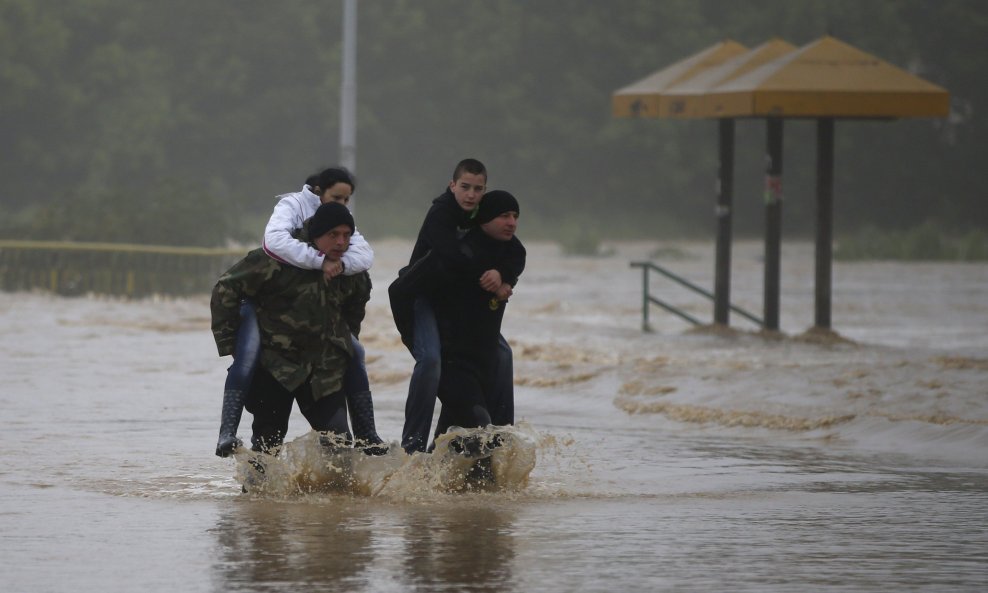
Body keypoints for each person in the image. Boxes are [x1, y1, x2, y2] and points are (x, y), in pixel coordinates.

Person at [214, 167, 385, 458]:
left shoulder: (350, 269)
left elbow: (357, 304)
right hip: (275, 368)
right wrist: (232, 343)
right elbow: (225, 290)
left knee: (340, 452)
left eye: (346, 236)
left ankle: (364, 444)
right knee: (265, 454)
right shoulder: (273, 261)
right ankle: (254, 499)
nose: (341, 243)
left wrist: (344, 338)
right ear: (316, 235)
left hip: (323, 372)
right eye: (334, 236)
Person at [394, 159, 525, 453]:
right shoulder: (441, 213)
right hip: (417, 296)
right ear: (452, 185)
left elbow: (515, 249)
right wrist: (496, 278)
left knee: (502, 354)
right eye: (464, 187)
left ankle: (503, 435)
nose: (470, 194)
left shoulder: (479, 213)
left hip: (446, 300)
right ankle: (411, 447)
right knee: (430, 362)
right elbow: (454, 257)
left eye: (478, 189)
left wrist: (504, 274)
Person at [430, 190, 525, 437]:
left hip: (484, 360)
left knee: (462, 438)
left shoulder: (511, 251)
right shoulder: (462, 249)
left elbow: (517, 257)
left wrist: (504, 276)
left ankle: (417, 474)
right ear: (485, 218)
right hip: (453, 362)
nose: (512, 223)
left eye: (515, 216)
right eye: (504, 216)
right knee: (480, 433)